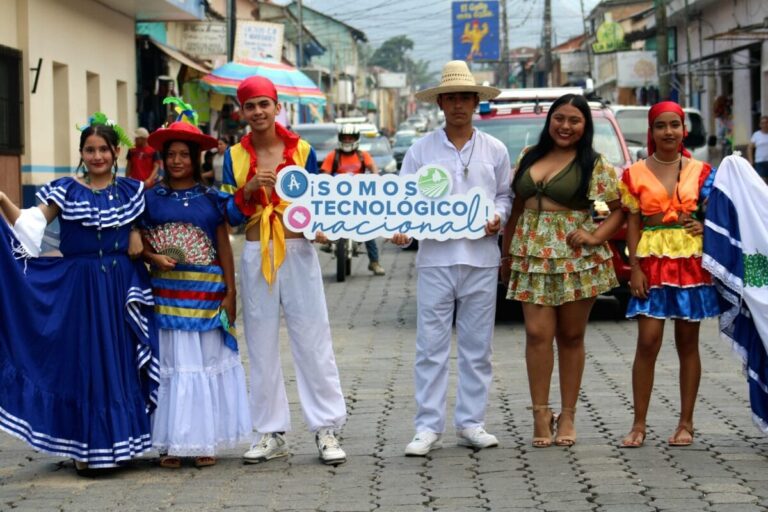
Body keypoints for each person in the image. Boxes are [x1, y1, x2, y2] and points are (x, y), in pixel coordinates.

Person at [0, 114, 159, 473]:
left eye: (103, 149)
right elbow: (29, 224)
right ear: (81, 153)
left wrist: (135, 232)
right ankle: (86, 445)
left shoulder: (132, 191)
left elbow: (146, 227)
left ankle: (122, 441)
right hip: (80, 287)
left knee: (119, 358)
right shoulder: (66, 191)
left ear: (116, 152)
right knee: (86, 360)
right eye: (90, 149)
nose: (97, 156)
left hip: (122, 286)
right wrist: (2, 199)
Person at [219, 75, 348, 466]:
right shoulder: (234, 157)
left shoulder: (302, 149)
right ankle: (269, 431)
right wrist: (247, 191)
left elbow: (318, 201)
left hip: (298, 250)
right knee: (259, 342)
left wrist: (321, 228)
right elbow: (227, 215)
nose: (258, 112)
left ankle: (326, 427)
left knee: (313, 337)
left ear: (277, 107)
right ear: (242, 112)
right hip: (256, 250)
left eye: (264, 104)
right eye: (250, 106)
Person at [391, 60, 512, 456]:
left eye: (465, 97)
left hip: (481, 258)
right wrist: (402, 229)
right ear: (440, 103)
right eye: (451, 98)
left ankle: (471, 422)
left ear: (476, 102)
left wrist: (498, 217)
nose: (458, 104)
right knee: (431, 347)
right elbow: (403, 201)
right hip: (436, 260)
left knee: (479, 347)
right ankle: (427, 426)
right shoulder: (421, 150)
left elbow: (504, 195)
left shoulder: (494, 149)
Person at [500, 94, 623, 448]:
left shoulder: (594, 164)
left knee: (570, 336)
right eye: (559, 118)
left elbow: (614, 209)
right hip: (532, 255)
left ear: (585, 126)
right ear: (549, 121)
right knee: (537, 335)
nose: (565, 126)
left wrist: (594, 235)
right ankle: (541, 414)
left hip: (575, 258)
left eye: (574, 120)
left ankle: (567, 415)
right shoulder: (529, 156)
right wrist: (506, 257)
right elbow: (517, 208)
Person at [141, 113, 252, 469]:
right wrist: (152, 256)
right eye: (171, 154)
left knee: (204, 366)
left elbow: (223, 248)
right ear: (163, 158)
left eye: (184, 155)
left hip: (207, 298)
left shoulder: (211, 199)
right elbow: (139, 242)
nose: (177, 161)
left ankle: (205, 441)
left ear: (195, 158)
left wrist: (231, 292)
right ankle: (171, 444)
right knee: (172, 366)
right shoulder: (149, 199)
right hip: (166, 298)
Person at [619, 101, 720, 448]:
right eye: (660, 126)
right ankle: (638, 424)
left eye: (674, 125)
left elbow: (721, 213)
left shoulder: (702, 171)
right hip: (650, 262)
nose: (668, 132)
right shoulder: (634, 173)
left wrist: (705, 227)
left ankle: (686, 423)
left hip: (689, 262)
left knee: (687, 343)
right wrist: (634, 268)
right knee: (647, 342)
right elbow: (633, 223)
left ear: (684, 130)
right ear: (651, 131)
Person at [320, 123, 385, 276]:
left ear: (356, 139)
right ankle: (328, 240)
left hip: (358, 197)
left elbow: (373, 169)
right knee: (326, 217)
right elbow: (324, 175)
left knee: (367, 227)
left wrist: (376, 178)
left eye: (351, 138)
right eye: (345, 138)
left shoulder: (363, 155)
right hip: (337, 198)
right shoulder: (333, 156)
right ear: (340, 139)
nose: (348, 140)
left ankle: (374, 262)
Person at [748, 115, 768, 183]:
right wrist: (751, 161)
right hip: (760, 162)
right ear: (760, 125)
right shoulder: (756, 135)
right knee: (762, 182)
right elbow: (750, 148)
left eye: (766, 122)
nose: (764, 125)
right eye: (762, 123)